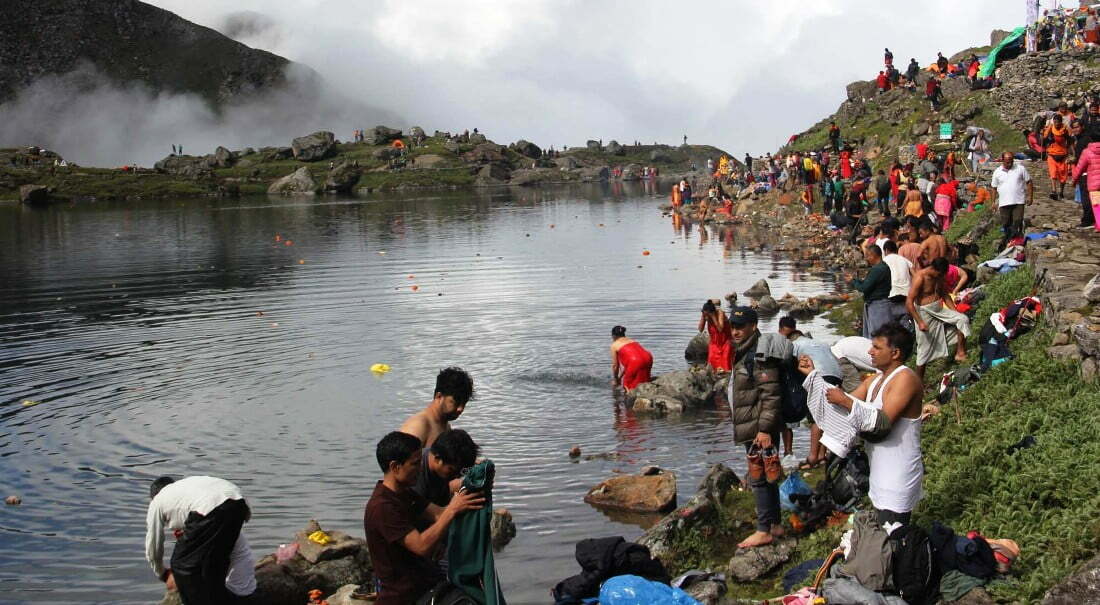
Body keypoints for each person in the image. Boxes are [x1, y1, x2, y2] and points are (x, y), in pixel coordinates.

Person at [799, 324, 924, 525]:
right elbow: (838, 407)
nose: (869, 351)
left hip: (899, 472)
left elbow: (882, 424)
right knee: (884, 534)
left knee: (895, 531)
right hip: (878, 472)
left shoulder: (906, 379)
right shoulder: (874, 380)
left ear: (895, 353)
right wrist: (814, 376)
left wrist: (846, 402)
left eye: (876, 347)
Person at [365, 431, 484, 604]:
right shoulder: (383, 507)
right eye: (415, 463)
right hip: (404, 595)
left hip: (425, 582)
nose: (420, 468)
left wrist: (471, 495)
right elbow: (422, 546)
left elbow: (438, 514)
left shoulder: (405, 493)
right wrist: (452, 509)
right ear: (395, 467)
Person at [725, 307, 784, 548]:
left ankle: (763, 530)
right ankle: (776, 525)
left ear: (753, 326)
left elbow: (771, 395)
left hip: (758, 426)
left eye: (740, 326)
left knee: (759, 477)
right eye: (733, 326)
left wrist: (764, 430)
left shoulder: (759, 355)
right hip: (755, 423)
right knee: (767, 476)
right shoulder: (745, 351)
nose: (735, 331)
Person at [145, 476, 254, 604]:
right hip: (238, 503)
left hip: (212, 508)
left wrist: (163, 574)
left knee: (181, 565)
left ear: (153, 496)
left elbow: (153, 547)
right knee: (213, 564)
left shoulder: (158, 501)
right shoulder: (186, 490)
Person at [778, 317, 842, 469]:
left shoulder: (794, 345)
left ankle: (812, 457)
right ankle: (822, 456)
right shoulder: (820, 343)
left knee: (816, 418)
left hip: (819, 374)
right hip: (837, 375)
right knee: (827, 415)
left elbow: (790, 367)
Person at [907, 258, 971, 381]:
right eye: (939, 274)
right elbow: (909, 302)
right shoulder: (920, 277)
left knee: (962, 319)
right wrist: (920, 322)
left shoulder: (939, 277)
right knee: (924, 347)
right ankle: (918, 381)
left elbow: (945, 294)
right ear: (933, 269)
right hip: (923, 311)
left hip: (938, 307)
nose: (940, 277)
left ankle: (960, 353)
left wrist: (954, 311)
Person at [399, 367, 474, 447]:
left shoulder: (446, 426)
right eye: (456, 402)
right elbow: (399, 458)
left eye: (464, 403)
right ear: (439, 396)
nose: (460, 409)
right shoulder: (418, 426)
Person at [413, 429, 479, 508]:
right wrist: (454, 508)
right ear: (437, 459)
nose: (456, 477)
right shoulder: (415, 474)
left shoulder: (441, 470)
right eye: (452, 471)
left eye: (461, 472)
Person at [990, 152, 1034, 250]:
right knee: (1006, 223)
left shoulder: (1020, 169)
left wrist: (1030, 197)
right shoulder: (997, 172)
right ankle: (1008, 241)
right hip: (1004, 202)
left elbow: (1029, 182)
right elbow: (993, 187)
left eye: (1011, 161)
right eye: (1007, 162)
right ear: (1002, 160)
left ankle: (1015, 241)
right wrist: (993, 202)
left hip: (1018, 201)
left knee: (1017, 221)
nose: (1009, 164)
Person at [849, 245, 892, 338]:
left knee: (876, 335)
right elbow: (867, 283)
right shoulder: (883, 267)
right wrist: (855, 280)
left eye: (867, 256)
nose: (866, 259)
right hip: (880, 304)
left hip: (878, 306)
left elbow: (864, 288)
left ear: (873, 255)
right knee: (877, 334)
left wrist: (853, 281)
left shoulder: (877, 269)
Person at [610, 325, 654, 389]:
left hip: (635, 361)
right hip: (648, 358)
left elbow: (615, 365)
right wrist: (620, 377)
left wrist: (616, 379)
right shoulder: (631, 340)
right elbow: (628, 365)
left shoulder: (614, 345)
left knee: (627, 386)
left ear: (614, 336)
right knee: (644, 380)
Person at [1071, 138, 1100, 233]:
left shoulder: (1087, 152)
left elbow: (1079, 168)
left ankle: (1098, 225)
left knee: (1096, 205)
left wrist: (1074, 180)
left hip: (1094, 183)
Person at [1042, 113, 1072, 200]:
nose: (1056, 124)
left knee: (1063, 176)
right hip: (1052, 154)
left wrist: (1071, 153)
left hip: (1063, 155)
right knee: (1053, 173)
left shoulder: (1065, 130)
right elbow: (1044, 138)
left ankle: (1061, 191)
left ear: (1061, 122)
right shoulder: (1050, 129)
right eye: (1055, 122)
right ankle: (1054, 190)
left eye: (1058, 122)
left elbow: (1070, 140)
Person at [699, 300, 733, 372]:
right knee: (711, 362)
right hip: (714, 343)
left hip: (726, 341)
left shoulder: (720, 313)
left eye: (708, 315)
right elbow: (700, 329)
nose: (707, 317)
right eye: (705, 314)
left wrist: (713, 317)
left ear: (712, 312)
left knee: (726, 362)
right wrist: (703, 317)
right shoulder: (705, 315)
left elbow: (720, 329)